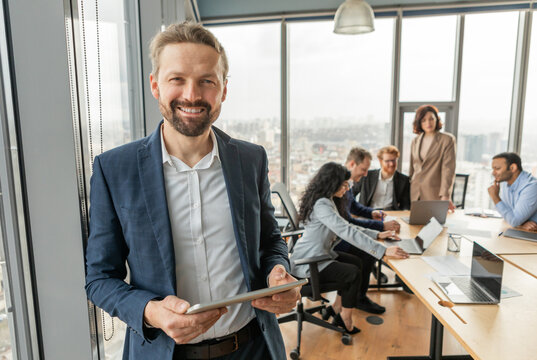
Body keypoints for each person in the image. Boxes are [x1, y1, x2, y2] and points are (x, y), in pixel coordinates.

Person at [85, 22, 300, 360]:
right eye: (177, 79)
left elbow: (270, 240)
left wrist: (278, 272)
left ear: (223, 89)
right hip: (163, 353)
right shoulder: (115, 169)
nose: (191, 94)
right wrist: (151, 311)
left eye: (206, 81)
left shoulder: (250, 159)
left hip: (253, 348)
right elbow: (99, 280)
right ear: (156, 86)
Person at [290, 163, 408, 333]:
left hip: (321, 254)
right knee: (352, 273)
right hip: (309, 262)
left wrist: (376, 234)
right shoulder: (322, 204)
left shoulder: (327, 200)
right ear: (332, 183)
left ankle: (337, 307)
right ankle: (345, 317)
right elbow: (345, 230)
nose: (347, 188)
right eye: (344, 184)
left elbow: (346, 225)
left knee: (356, 262)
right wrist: (382, 251)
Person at [335, 147, 400, 309]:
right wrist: (381, 227)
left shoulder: (347, 183)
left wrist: (372, 213)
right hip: (336, 241)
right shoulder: (339, 186)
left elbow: (354, 206)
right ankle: (358, 298)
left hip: (341, 234)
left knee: (370, 247)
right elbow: (348, 221)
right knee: (367, 251)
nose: (365, 174)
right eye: (363, 170)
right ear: (352, 164)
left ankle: (356, 297)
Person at [409, 105, 456, 211]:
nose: (428, 123)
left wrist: (445, 195)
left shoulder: (447, 140)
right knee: (416, 225)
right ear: (419, 122)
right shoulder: (415, 141)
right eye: (424, 120)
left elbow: (448, 169)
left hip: (435, 193)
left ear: (436, 120)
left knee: (435, 225)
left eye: (431, 119)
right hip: (416, 192)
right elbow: (413, 168)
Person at [488, 152, 537, 230]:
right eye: (493, 169)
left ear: (513, 168)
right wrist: (520, 223)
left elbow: (514, 220)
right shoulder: (505, 182)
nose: (493, 173)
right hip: (522, 230)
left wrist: (495, 197)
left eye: (497, 169)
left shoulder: (531, 187)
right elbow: (508, 215)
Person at [354, 145, 410, 210]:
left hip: (392, 214)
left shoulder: (403, 180)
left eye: (394, 160)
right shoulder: (366, 176)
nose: (392, 164)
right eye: (388, 161)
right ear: (380, 161)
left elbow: (406, 205)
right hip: (368, 213)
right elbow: (351, 194)